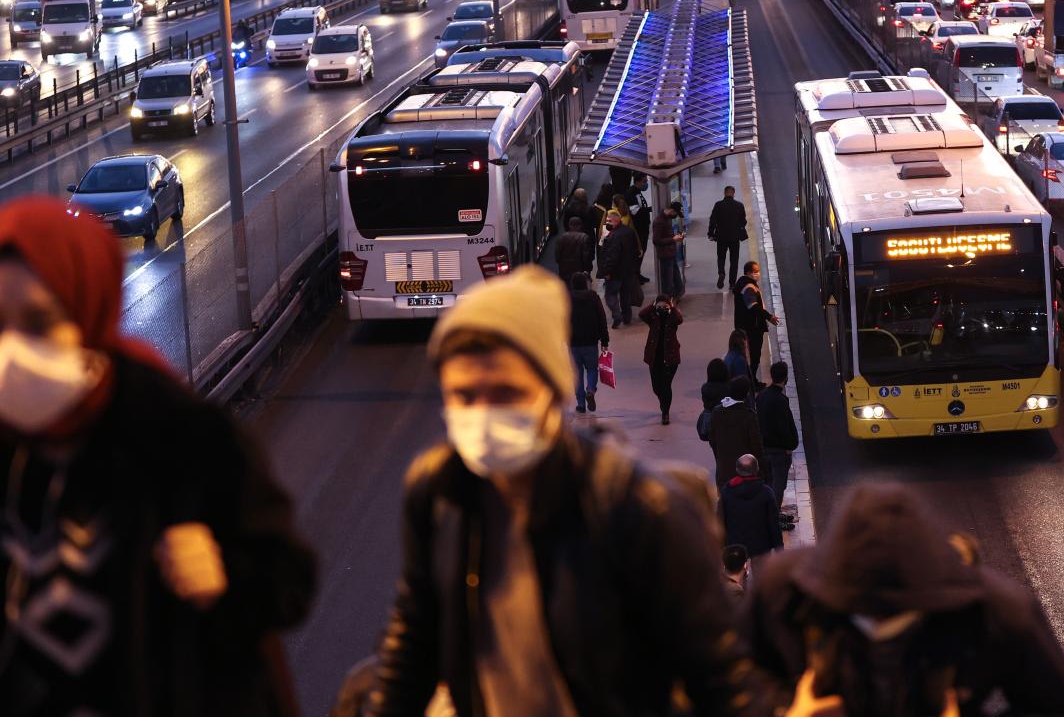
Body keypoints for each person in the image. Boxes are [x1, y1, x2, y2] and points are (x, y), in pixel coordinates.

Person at [366, 266, 767, 717]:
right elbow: (413, 642)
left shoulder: (637, 508)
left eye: (506, 392)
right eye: (464, 395)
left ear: (550, 390)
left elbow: (722, 679)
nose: (483, 413)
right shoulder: (436, 492)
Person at [0, 197, 317, 717]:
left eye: (38, 322)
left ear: (89, 310)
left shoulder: (182, 437)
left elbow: (288, 579)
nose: (12, 350)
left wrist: (224, 580)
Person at [743, 482, 1064, 717]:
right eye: (863, 617)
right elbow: (736, 677)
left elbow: (1063, 708)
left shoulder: (999, 611)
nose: (879, 630)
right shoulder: (782, 591)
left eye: (897, 621)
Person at [757, 361, 800, 528]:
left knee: (768, 484)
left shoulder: (761, 396)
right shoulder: (780, 400)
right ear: (785, 377)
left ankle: (773, 514)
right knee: (778, 485)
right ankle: (774, 520)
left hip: (764, 448)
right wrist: (790, 446)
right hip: (779, 451)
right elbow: (784, 427)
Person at [707, 376, 768, 491]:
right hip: (746, 472)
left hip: (724, 470)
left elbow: (712, 440)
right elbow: (756, 445)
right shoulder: (748, 415)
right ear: (746, 394)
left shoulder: (717, 412)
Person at [718, 455, 783, 561]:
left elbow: (720, 519)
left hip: (735, 544)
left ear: (737, 469)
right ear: (756, 469)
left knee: (737, 575)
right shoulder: (766, 492)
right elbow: (773, 522)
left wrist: (722, 544)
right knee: (761, 575)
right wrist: (779, 548)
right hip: (761, 546)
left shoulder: (727, 491)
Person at [732, 261, 779, 385]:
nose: (758, 273)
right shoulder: (748, 287)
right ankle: (751, 382)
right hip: (752, 326)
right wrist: (769, 317)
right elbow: (753, 307)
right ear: (748, 272)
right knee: (754, 355)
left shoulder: (745, 284)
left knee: (750, 354)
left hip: (746, 325)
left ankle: (751, 380)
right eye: (755, 271)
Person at [568, 271, 609, 414]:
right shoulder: (593, 298)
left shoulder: (567, 299)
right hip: (591, 342)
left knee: (577, 373)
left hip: (573, 343)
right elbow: (602, 319)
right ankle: (590, 390)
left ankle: (580, 404)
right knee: (592, 369)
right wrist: (605, 340)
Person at [639, 294, 682, 425]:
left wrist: (672, 308)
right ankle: (663, 403)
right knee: (656, 387)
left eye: (665, 306)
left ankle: (665, 413)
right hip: (655, 357)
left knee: (666, 385)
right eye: (660, 306)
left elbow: (679, 319)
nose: (662, 308)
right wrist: (653, 306)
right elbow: (642, 314)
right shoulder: (653, 318)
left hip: (671, 358)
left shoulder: (672, 318)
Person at [597, 210, 641, 328]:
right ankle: (627, 317)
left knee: (610, 295)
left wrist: (606, 272)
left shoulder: (614, 236)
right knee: (625, 295)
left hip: (615, 273)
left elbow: (612, 257)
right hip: (627, 272)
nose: (607, 223)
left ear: (616, 221)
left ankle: (617, 316)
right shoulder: (628, 231)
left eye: (609, 221)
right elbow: (635, 250)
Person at [708, 186, 748, 290]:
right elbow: (743, 221)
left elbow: (713, 220)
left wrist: (710, 233)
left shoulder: (718, 205)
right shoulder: (739, 205)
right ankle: (732, 284)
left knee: (721, 257)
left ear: (724, 193)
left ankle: (721, 273)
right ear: (734, 193)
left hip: (721, 237)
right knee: (734, 260)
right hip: (734, 238)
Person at [651, 200, 686, 299]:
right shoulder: (659, 221)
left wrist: (676, 237)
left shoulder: (667, 219)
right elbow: (656, 240)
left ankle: (676, 294)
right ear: (672, 210)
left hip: (670, 253)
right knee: (668, 280)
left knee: (675, 277)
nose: (676, 216)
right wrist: (673, 239)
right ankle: (668, 300)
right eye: (676, 213)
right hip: (665, 255)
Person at [555, 217, 593, 285]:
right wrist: (587, 270)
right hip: (579, 271)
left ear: (569, 225)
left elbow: (557, 256)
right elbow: (586, 257)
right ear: (580, 226)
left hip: (564, 271)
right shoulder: (584, 237)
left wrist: (562, 264)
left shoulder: (562, 237)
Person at [624, 172, 653, 258]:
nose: (646, 184)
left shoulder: (638, 191)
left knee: (642, 249)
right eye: (644, 181)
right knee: (639, 250)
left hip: (643, 227)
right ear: (638, 182)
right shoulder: (631, 193)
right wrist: (650, 209)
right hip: (638, 228)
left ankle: (637, 270)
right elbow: (635, 211)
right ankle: (635, 270)